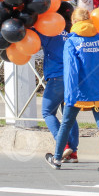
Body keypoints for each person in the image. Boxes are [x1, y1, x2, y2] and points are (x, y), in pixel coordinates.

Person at [45, 8, 99, 171]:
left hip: (78, 93)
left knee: (66, 124)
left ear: (74, 22)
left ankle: (56, 159)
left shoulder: (71, 41)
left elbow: (71, 71)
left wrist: (69, 96)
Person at [38, 25, 79, 163]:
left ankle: (64, 145)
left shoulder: (49, 31)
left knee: (47, 112)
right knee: (69, 115)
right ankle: (72, 154)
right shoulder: (73, 31)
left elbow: (34, 39)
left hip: (57, 77)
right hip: (73, 78)